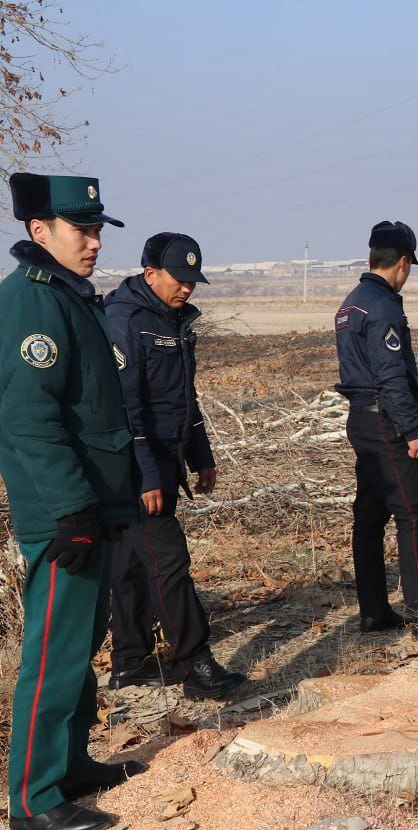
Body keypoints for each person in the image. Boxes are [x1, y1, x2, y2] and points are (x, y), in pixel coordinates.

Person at [0, 173, 141, 830]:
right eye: (80, 229)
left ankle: (70, 764)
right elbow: (28, 417)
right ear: (39, 231)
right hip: (65, 513)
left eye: (96, 229)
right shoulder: (33, 304)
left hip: (91, 502)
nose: (92, 242)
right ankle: (33, 799)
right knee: (54, 653)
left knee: (81, 644)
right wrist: (70, 508)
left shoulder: (68, 296)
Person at [103, 233, 246, 701]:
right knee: (169, 559)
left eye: (193, 280)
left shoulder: (175, 320)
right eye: (178, 278)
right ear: (150, 273)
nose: (187, 288)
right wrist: (146, 475)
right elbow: (127, 407)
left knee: (131, 563)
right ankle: (195, 663)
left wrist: (200, 456)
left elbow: (184, 396)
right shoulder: (126, 320)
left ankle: (130, 662)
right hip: (134, 464)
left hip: (165, 456)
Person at [334, 221, 418, 640]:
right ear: (403, 262)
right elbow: (391, 375)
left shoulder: (351, 302)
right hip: (384, 421)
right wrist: (411, 430)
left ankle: (374, 610)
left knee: (370, 517)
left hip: (361, 419)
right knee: (413, 515)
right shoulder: (384, 306)